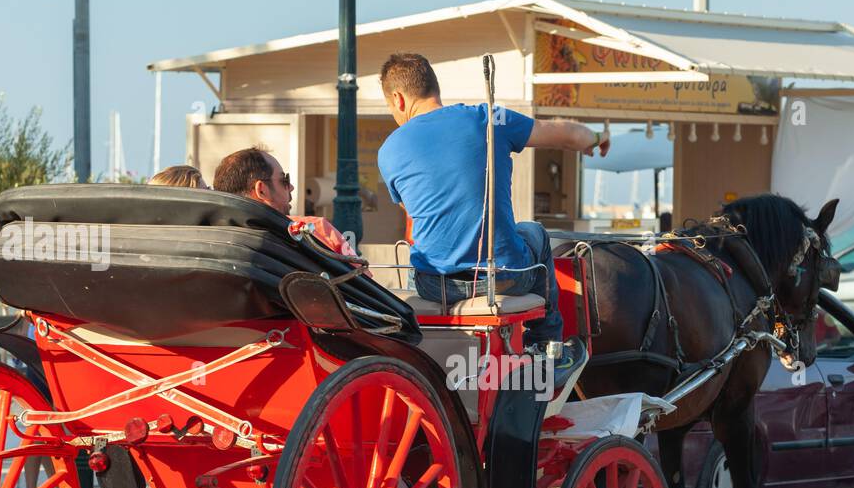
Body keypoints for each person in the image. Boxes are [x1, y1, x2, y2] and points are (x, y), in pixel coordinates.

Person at [376, 52, 610, 353]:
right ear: (435, 87)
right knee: (534, 232)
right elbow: (568, 136)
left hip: (434, 286)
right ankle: (547, 344)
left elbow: (414, 210)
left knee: (418, 252)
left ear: (397, 98)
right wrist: (597, 137)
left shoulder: (389, 149)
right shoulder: (488, 118)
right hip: (504, 279)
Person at [213, 146, 357, 257]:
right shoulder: (317, 230)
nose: (292, 187)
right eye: (284, 180)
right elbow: (362, 281)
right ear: (261, 190)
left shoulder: (210, 241)